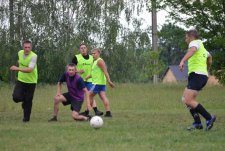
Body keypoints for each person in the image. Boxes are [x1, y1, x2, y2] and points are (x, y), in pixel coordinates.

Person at [179, 29, 216, 131]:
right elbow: (210, 58)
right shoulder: (203, 48)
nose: (186, 40)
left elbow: (193, 50)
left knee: (188, 100)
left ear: (191, 37)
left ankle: (209, 118)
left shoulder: (194, 43)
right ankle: (197, 123)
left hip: (197, 75)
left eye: (186, 37)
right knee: (186, 100)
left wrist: (182, 60)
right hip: (200, 76)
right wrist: (207, 69)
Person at [10, 40, 38, 122]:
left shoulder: (34, 56)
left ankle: (26, 120)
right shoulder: (20, 53)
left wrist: (17, 68)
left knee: (28, 101)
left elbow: (29, 69)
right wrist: (19, 63)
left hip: (31, 81)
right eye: (25, 47)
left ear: (31, 48)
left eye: (29, 47)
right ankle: (24, 101)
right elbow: (20, 61)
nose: (27, 49)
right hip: (21, 80)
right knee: (15, 97)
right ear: (23, 47)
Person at [72, 43, 103, 116]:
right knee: (79, 96)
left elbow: (96, 67)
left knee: (90, 95)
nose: (83, 49)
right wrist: (78, 71)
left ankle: (94, 111)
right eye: (81, 48)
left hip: (90, 80)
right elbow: (70, 68)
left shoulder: (92, 57)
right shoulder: (76, 57)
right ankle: (77, 110)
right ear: (79, 50)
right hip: (79, 80)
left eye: (84, 48)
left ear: (87, 49)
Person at [86, 48, 115, 117]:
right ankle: (108, 113)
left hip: (97, 83)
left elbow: (105, 71)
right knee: (103, 97)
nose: (93, 55)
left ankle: (87, 113)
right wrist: (88, 76)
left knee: (89, 95)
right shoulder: (95, 61)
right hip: (100, 83)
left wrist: (109, 81)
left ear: (99, 53)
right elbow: (95, 73)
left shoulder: (100, 61)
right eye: (92, 53)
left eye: (94, 53)